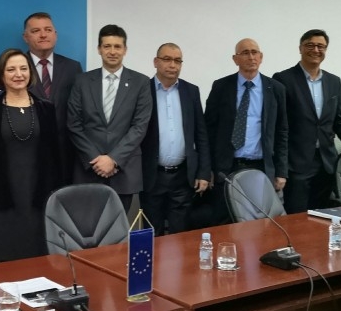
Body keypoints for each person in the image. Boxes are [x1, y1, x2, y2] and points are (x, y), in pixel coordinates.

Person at [0, 49, 63, 261]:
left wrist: (59, 197)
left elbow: (56, 157)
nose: (18, 74)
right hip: (2, 197)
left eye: (23, 68)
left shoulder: (46, 108)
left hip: (39, 195)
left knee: (40, 254)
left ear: (31, 73)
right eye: (11, 69)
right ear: (1, 74)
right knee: (6, 254)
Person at [274, 29, 341, 213]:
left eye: (321, 46)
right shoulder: (283, 79)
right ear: (300, 48)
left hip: (326, 163)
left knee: (323, 217)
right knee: (296, 218)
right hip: (296, 163)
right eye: (310, 45)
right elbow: (278, 126)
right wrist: (280, 167)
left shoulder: (334, 81)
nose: (316, 50)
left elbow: (339, 120)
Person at [67, 24, 152, 216]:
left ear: (125, 50)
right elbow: (74, 124)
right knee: (87, 228)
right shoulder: (82, 81)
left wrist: (114, 159)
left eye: (117, 46)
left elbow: (139, 126)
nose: (112, 52)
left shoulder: (141, 82)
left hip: (123, 171)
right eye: (107, 46)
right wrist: (96, 160)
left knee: (117, 228)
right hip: (89, 170)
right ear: (99, 49)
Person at [140, 43, 211, 234]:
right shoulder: (143, 90)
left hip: (183, 177)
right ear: (156, 62)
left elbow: (201, 134)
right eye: (167, 59)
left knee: (180, 234)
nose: (173, 65)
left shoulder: (191, 91)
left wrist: (204, 172)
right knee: (152, 233)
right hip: (152, 176)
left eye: (178, 61)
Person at [205, 38, 289, 195]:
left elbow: (281, 132)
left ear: (261, 57)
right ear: (235, 59)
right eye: (245, 53)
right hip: (227, 167)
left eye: (254, 52)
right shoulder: (221, 87)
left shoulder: (276, 89)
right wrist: (206, 168)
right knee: (227, 209)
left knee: (260, 210)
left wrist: (281, 171)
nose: (251, 57)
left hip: (262, 167)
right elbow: (209, 129)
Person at [23, 12, 83, 175]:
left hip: (67, 154)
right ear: (25, 37)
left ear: (55, 35)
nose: (43, 35)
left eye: (48, 30)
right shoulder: (16, 68)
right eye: (36, 31)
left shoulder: (73, 68)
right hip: (28, 153)